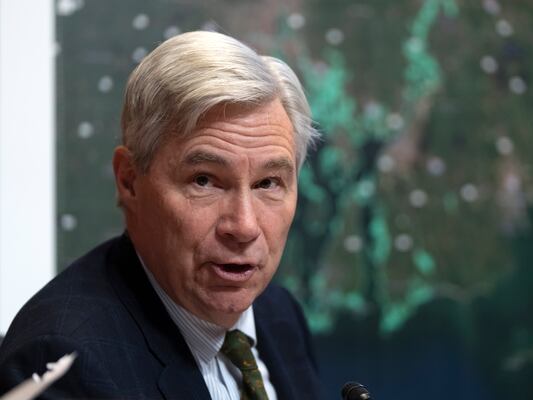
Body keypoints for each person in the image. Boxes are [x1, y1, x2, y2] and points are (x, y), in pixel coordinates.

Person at [0, 31, 323, 399]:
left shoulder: (278, 315)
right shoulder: (62, 361)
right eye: (205, 181)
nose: (244, 226)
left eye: (268, 183)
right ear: (130, 180)